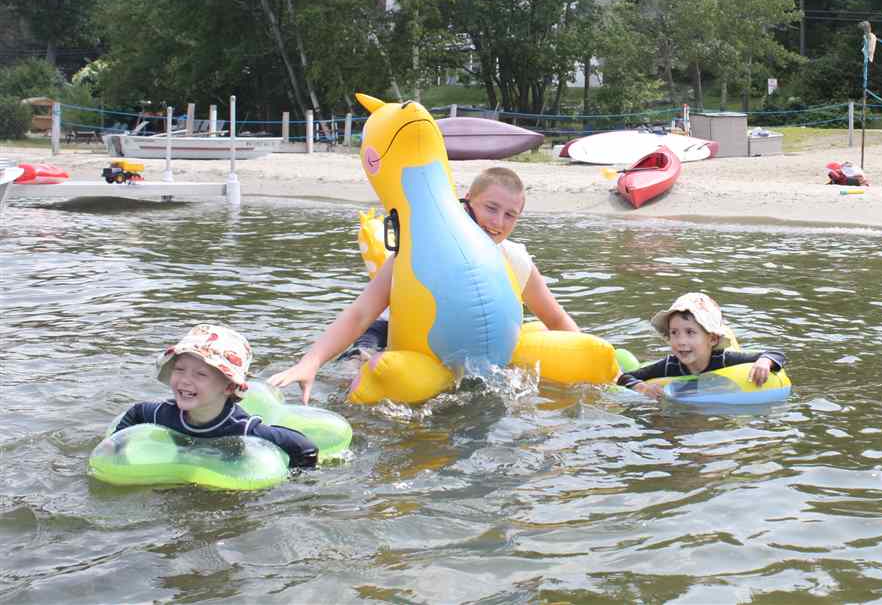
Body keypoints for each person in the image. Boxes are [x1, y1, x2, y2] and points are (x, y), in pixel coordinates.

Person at [268, 166, 578, 403]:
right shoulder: (422, 252)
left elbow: (556, 319)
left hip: (476, 354)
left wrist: (603, 365)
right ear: (467, 202)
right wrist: (309, 363)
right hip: (389, 337)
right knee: (353, 391)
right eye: (491, 208)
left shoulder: (515, 260)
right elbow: (361, 313)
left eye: (510, 215)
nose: (498, 222)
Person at [114, 324, 318, 468]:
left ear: (229, 387)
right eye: (179, 369)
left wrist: (295, 479)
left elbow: (305, 447)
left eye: (200, 374)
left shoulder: (242, 428)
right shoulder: (164, 414)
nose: (185, 380)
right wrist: (118, 448)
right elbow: (137, 412)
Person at [617, 292, 786, 400]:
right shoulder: (670, 365)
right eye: (674, 333)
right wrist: (642, 388)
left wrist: (764, 362)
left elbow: (775, 353)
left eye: (690, 332)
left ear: (712, 339)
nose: (681, 341)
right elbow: (623, 377)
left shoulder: (724, 359)